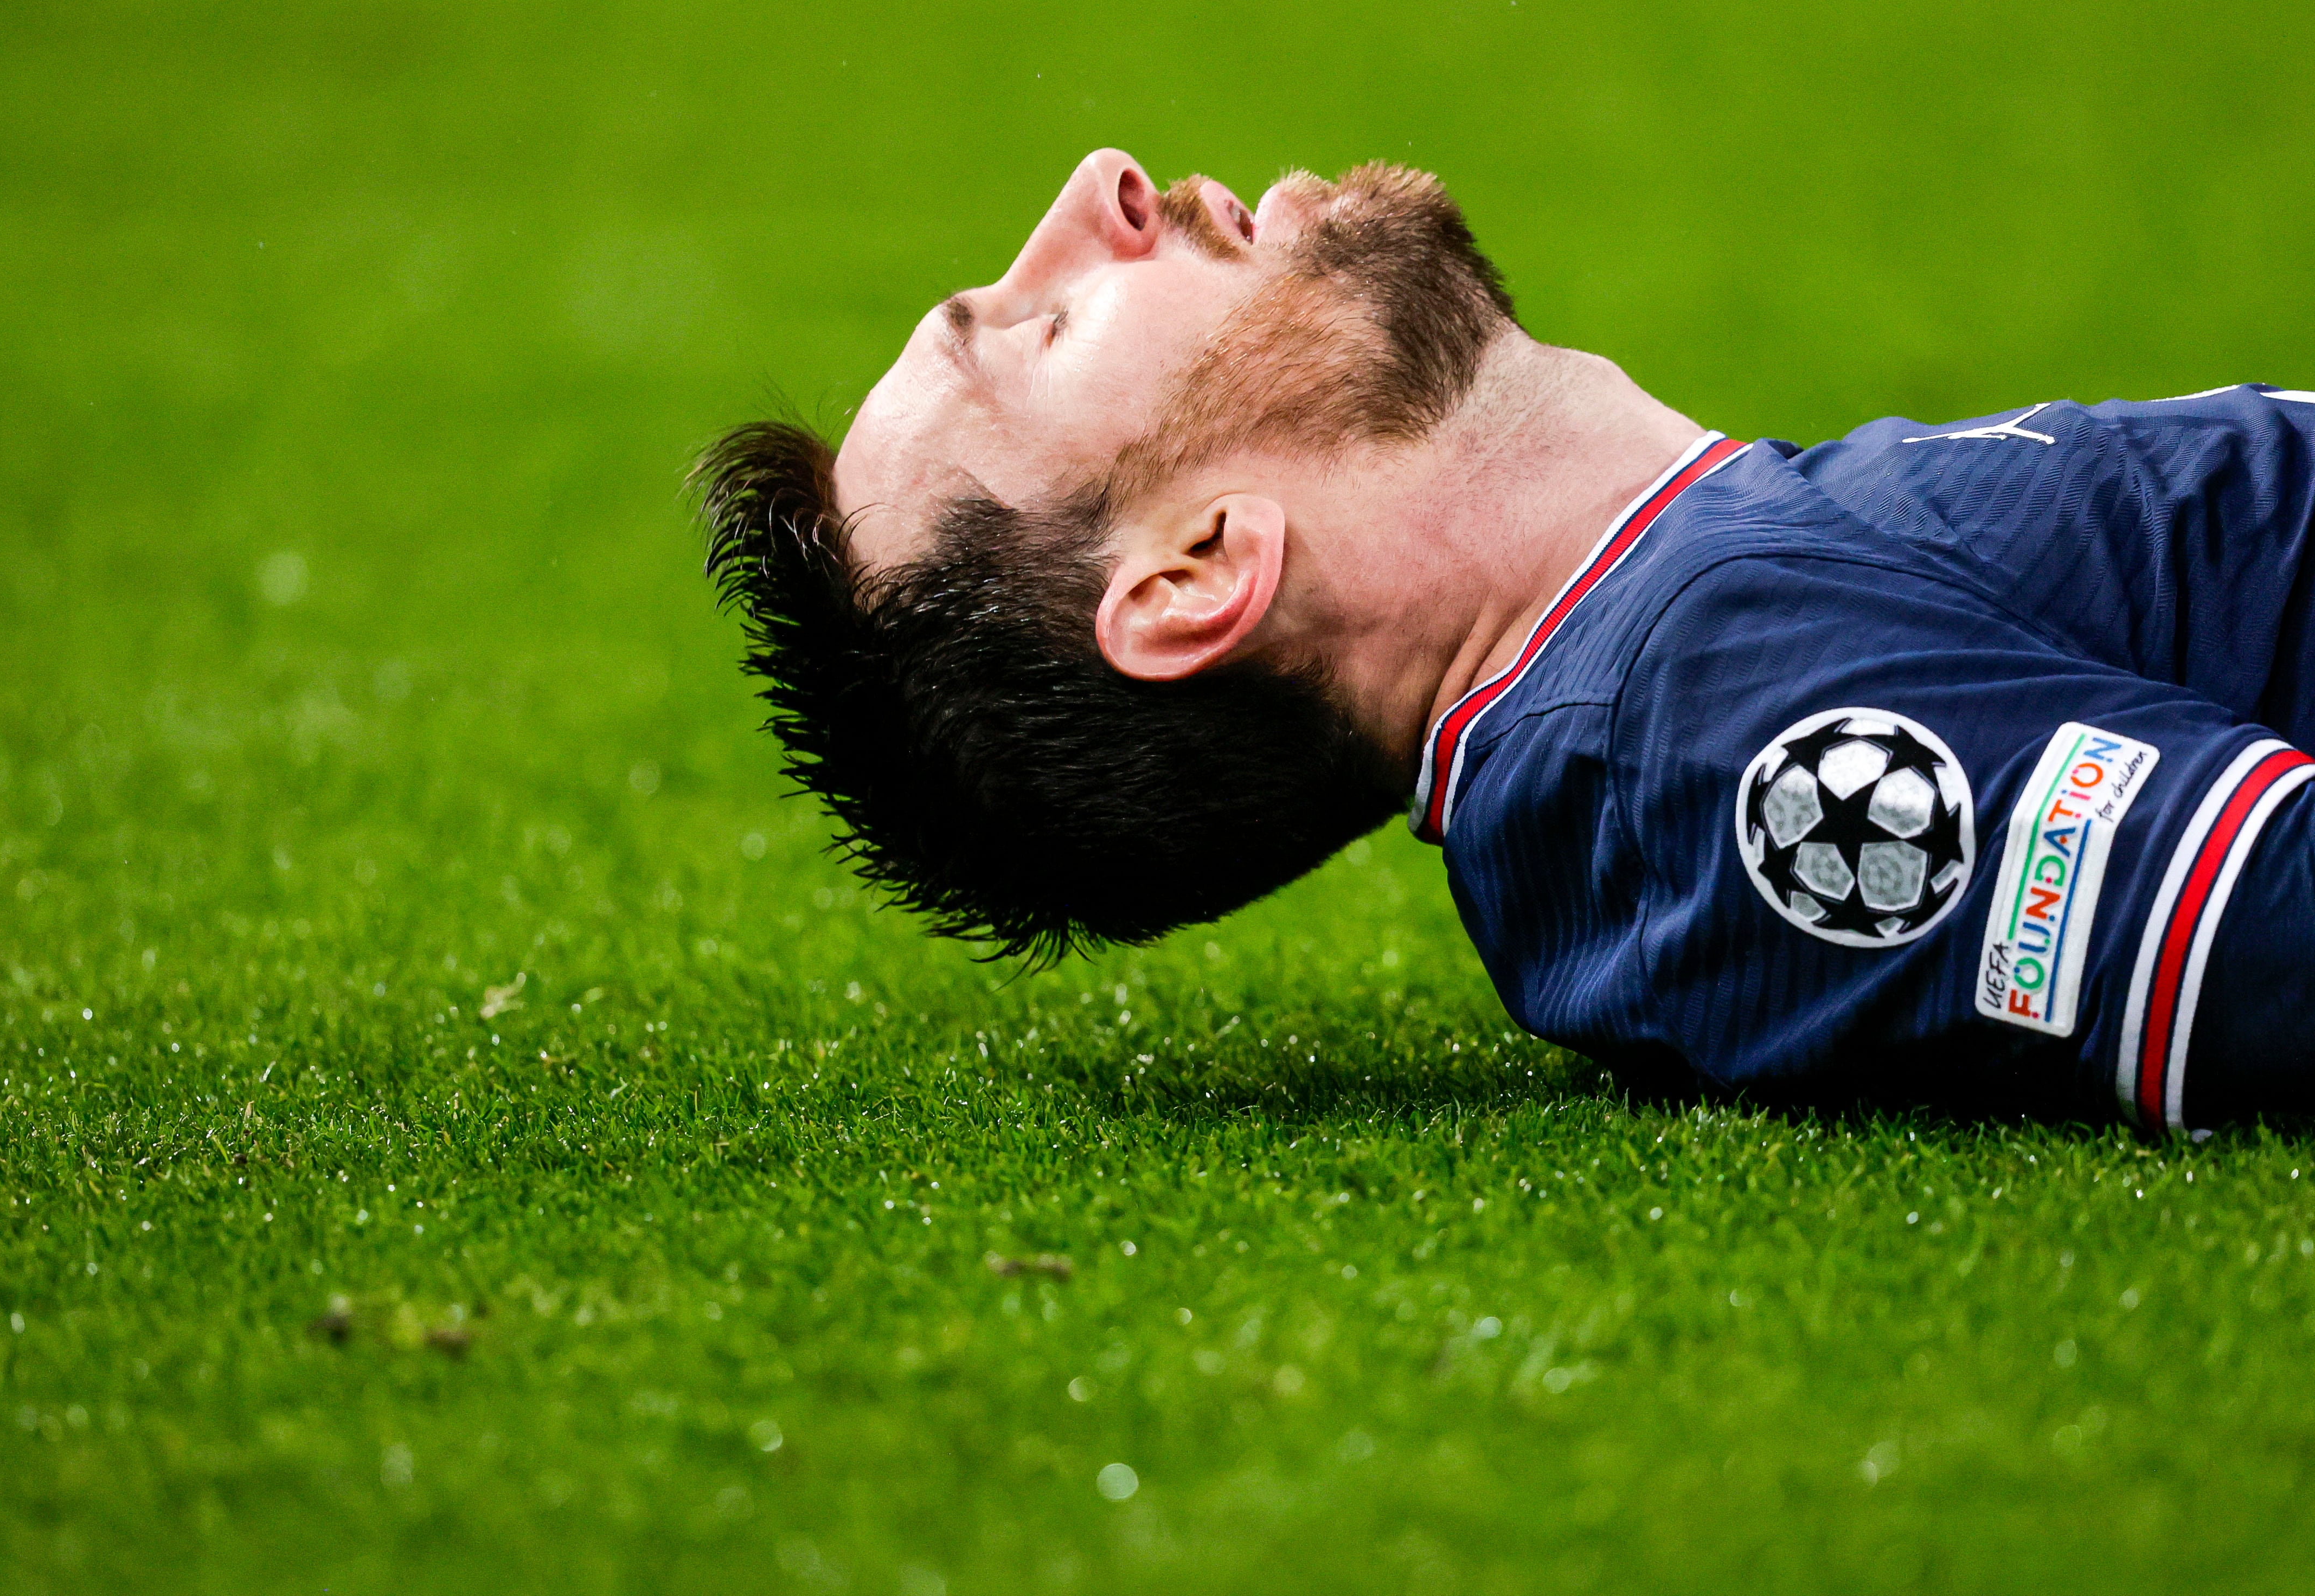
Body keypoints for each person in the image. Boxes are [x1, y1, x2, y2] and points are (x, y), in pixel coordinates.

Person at [694, 149, 2315, 1134]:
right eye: (1044, 327)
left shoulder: (1655, 673)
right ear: (1194, 572)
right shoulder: (1715, 717)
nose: (1099, 185)